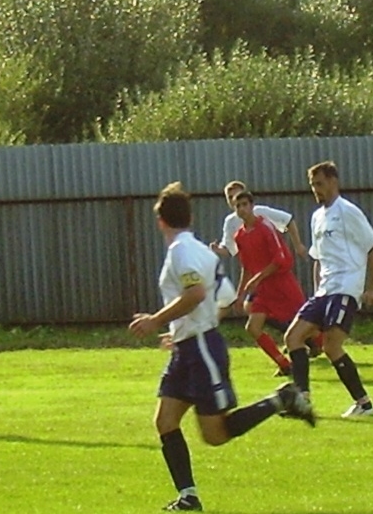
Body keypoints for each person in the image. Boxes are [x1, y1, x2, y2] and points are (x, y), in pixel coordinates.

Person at [129, 181, 315, 512]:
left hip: (201, 351)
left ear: (161, 221)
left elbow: (196, 294)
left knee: (215, 434)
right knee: (165, 421)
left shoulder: (181, 252)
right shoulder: (201, 250)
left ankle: (283, 398)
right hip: (190, 345)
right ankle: (189, 497)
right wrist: (185, 327)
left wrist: (157, 321)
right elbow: (225, 297)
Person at [283, 161, 373, 419]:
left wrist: (371, 288)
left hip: (346, 287)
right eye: (313, 185)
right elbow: (318, 258)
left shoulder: (348, 212)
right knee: (292, 337)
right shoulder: (316, 217)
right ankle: (302, 399)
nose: (316, 190)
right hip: (325, 292)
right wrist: (317, 293)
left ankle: (364, 404)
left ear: (333, 182)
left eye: (320, 184)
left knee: (331, 346)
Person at [232, 190, 309, 377]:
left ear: (252, 206)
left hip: (282, 283)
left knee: (307, 323)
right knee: (253, 328)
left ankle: (329, 349)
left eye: (244, 204)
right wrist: (240, 293)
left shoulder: (266, 227)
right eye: (237, 206)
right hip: (264, 289)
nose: (242, 209)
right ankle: (284, 364)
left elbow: (280, 259)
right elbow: (246, 267)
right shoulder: (239, 236)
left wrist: (257, 278)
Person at [209, 180, 307, 259]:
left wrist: (298, 245)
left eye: (238, 195)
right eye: (230, 197)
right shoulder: (230, 222)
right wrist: (217, 249)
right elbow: (230, 249)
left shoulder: (260, 212)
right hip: (254, 265)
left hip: (274, 260)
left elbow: (288, 220)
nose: (235, 199)